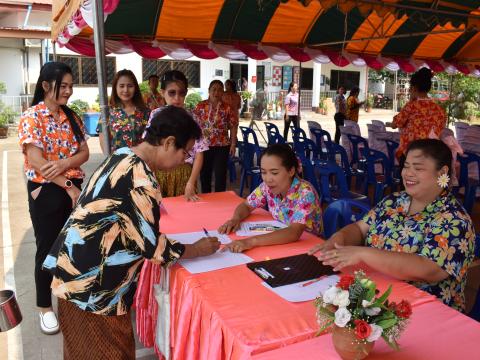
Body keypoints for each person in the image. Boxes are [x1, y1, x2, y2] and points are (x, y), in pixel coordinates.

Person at [43, 106, 221, 359]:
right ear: (169, 143)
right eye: (186, 151)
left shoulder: (123, 155)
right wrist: (199, 249)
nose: (186, 159)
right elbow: (155, 250)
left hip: (76, 275)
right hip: (93, 289)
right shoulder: (140, 180)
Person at [309, 139, 475, 312]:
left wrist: (364, 254)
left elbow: (429, 269)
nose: (408, 173)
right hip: (376, 297)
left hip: (424, 309)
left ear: (442, 172)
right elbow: (359, 228)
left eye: (418, 168)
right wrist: (338, 239)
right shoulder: (394, 201)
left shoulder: (454, 220)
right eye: (406, 166)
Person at [18, 61, 89, 334]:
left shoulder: (72, 116)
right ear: (46, 86)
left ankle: (70, 298)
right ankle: (44, 307)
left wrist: (63, 163)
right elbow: (36, 161)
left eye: (71, 85)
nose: (69, 91)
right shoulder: (32, 116)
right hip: (45, 189)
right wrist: (68, 183)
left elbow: (84, 152)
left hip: (70, 183)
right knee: (47, 248)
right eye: (64, 85)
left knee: (72, 245)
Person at [218, 144, 322, 252]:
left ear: (291, 171)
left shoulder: (305, 193)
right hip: (279, 242)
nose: (268, 179)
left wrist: (250, 242)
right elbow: (247, 205)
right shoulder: (267, 187)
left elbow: (294, 232)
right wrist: (235, 219)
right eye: (263, 172)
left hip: (307, 248)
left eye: (274, 173)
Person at [148, 70, 208, 200]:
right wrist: (152, 177)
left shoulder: (192, 118)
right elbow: (150, 147)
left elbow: (199, 152)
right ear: (162, 92)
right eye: (172, 92)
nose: (177, 98)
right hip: (159, 175)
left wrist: (191, 182)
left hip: (184, 175)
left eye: (181, 93)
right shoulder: (155, 115)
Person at [388, 67, 446, 162]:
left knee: (408, 177)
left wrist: (411, 100)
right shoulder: (440, 110)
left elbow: (395, 124)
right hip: (431, 155)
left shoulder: (411, 106)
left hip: (410, 153)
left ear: (414, 88)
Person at [193, 80, 238, 193]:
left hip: (222, 145)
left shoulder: (227, 108)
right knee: (205, 174)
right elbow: (193, 123)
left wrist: (233, 144)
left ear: (223, 92)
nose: (216, 92)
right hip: (204, 145)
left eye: (219, 89)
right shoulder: (201, 106)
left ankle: (220, 199)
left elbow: (233, 126)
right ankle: (207, 198)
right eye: (214, 89)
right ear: (209, 91)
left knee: (220, 174)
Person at [97, 69, 150, 154]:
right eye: (121, 86)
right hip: (117, 163)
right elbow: (103, 142)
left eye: (130, 86)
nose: (126, 90)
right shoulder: (108, 113)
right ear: (115, 88)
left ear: (135, 87)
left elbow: (152, 141)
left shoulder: (146, 112)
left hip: (142, 162)